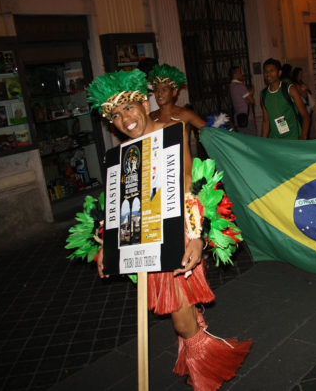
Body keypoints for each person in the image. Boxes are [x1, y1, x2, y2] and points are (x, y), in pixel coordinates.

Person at [86, 69, 251, 390]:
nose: (125, 119)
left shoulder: (171, 131)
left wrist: (196, 237)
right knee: (181, 313)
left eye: (129, 108)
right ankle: (200, 355)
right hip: (145, 238)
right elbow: (118, 204)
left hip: (178, 234)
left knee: (178, 315)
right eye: (116, 115)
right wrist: (107, 244)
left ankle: (207, 374)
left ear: (143, 105)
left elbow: (188, 183)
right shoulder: (121, 154)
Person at [260, 58, 310, 140]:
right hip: (275, 141)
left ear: (279, 73)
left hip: (293, 139)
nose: (268, 74)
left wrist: (303, 136)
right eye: (266, 71)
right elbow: (266, 122)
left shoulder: (289, 89)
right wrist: (263, 142)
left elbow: (305, 116)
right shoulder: (263, 94)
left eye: (272, 70)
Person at [229, 65, 256, 135]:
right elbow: (252, 101)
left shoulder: (232, 86)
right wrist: (252, 91)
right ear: (234, 74)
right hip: (247, 119)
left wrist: (248, 98)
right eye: (240, 72)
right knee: (253, 140)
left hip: (238, 119)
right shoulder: (240, 86)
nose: (242, 74)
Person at [291, 67, 316, 138]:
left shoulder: (301, 82)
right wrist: (305, 89)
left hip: (307, 107)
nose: (301, 75)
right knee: (304, 128)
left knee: (308, 127)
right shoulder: (294, 85)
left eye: (302, 74)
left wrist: (307, 89)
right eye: (300, 74)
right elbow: (304, 94)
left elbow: (308, 93)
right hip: (301, 109)